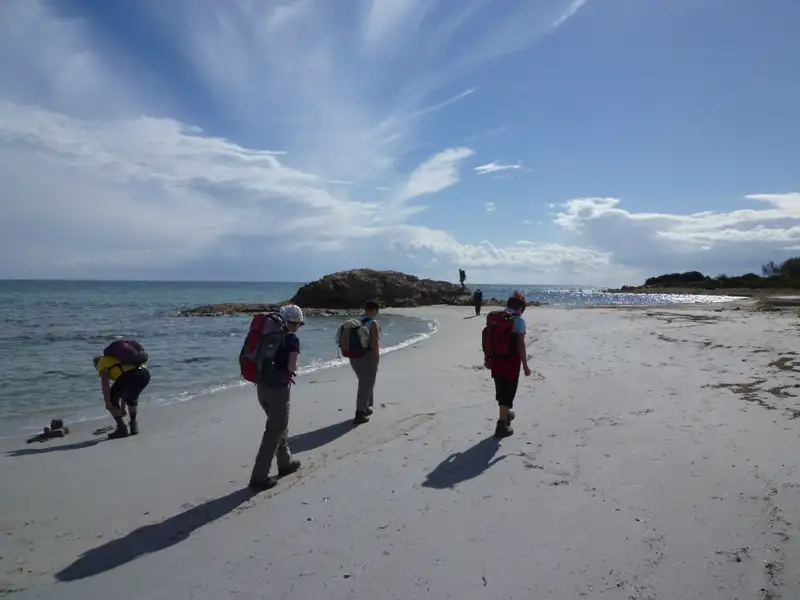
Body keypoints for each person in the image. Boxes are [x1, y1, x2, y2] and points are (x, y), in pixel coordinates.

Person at [249, 305, 304, 491]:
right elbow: (291, 367)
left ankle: (285, 463)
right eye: (298, 324)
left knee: (278, 425)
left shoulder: (266, 335)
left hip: (261, 386)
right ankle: (259, 476)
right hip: (278, 390)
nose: (299, 327)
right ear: (293, 323)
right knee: (275, 429)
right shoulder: (292, 340)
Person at [484, 292, 531, 439]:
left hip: (496, 359)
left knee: (501, 389)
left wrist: (487, 359)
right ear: (521, 308)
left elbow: (488, 340)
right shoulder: (518, 320)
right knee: (509, 392)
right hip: (511, 361)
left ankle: (506, 414)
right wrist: (525, 365)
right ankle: (501, 425)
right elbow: (520, 345)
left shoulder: (495, 317)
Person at [94, 340, 151, 439]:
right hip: (144, 374)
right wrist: (122, 408)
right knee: (131, 399)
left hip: (130, 375)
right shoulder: (120, 359)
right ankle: (134, 426)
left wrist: (108, 402)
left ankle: (122, 428)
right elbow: (124, 389)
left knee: (111, 399)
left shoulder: (102, 362)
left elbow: (105, 385)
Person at [350, 300, 381, 425]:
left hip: (353, 356)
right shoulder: (373, 323)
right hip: (367, 356)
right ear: (373, 310)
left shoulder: (356, 322)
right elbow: (375, 343)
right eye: (377, 311)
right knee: (366, 384)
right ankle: (359, 413)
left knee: (365, 382)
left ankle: (367, 407)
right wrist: (377, 357)